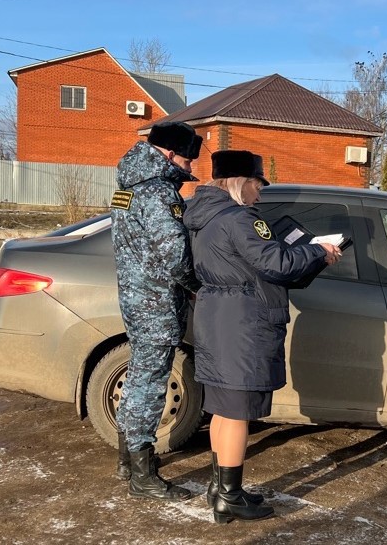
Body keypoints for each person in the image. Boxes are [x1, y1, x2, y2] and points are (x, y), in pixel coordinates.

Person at [183, 150, 341, 524]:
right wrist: (318, 250)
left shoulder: (205, 218)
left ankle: (220, 487)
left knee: (222, 409)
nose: (260, 193)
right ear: (240, 182)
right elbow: (277, 263)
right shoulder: (239, 219)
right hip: (243, 324)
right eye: (257, 184)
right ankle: (230, 496)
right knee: (237, 413)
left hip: (219, 318)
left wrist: (310, 257)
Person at [110, 122, 202, 502]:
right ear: (169, 154)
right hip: (157, 304)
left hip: (135, 298)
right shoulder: (158, 193)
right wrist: (200, 287)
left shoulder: (127, 188)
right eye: (186, 158)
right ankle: (143, 476)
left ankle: (126, 460)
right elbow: (175, 255)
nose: (188, 165)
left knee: (137, 380)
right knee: (149, 386)